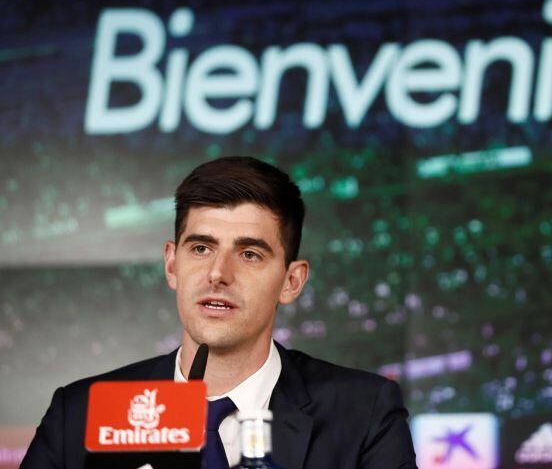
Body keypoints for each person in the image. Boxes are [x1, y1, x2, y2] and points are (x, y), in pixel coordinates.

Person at [21, 157, 417, 469]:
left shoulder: (364, 412)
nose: (218, 274)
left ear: (291, 282)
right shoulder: (80, 412)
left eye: (249, 254)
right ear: (172, 265)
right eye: (200, 248)